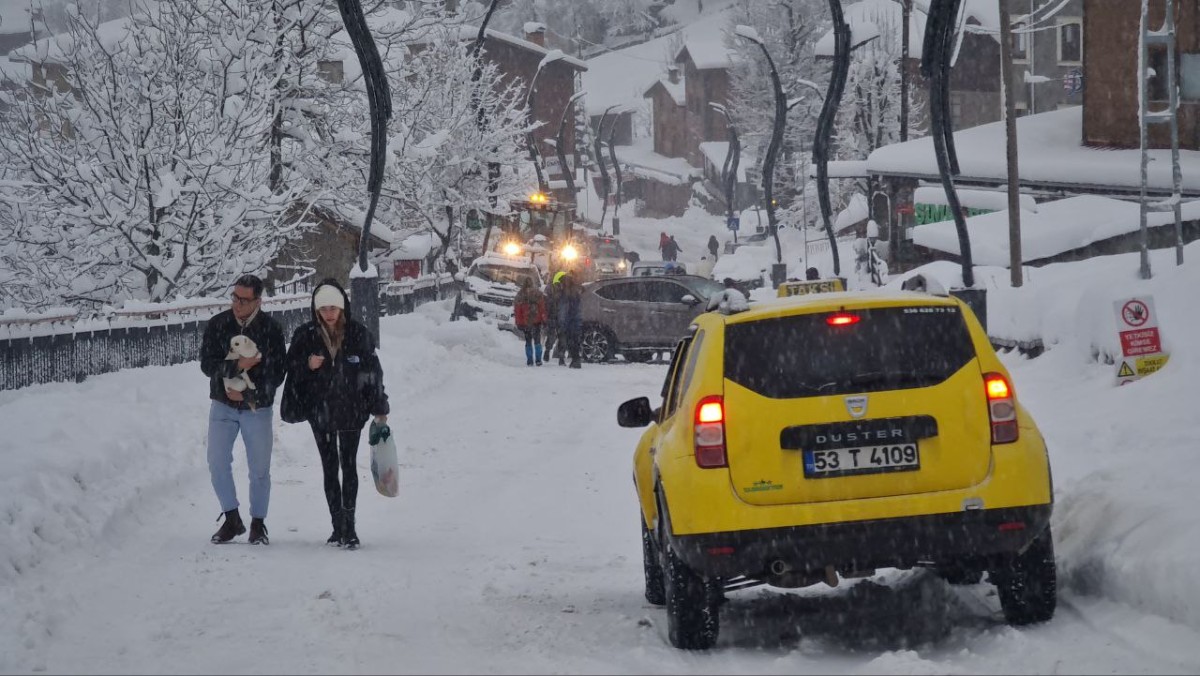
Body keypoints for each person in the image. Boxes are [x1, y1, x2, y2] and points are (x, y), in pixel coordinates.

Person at [281, 279, 389, 550]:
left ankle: (350, 528)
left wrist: (379, 407)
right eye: (324, 308)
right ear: (317, 310)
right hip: (321, 412)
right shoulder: (305, 336)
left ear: (342, 308)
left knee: (349, 466)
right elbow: (291, 369)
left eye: (333, 307)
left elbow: (373, 373)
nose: (329, 313)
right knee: (329, 469)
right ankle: (336, 526)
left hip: (352, 410)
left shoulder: (358, 334)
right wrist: (307, 364)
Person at [199, 274, 287, 546]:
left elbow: (276, 373)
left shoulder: (271, 329)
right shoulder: (219, 324)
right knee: (217, 463)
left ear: (257, 301)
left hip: (256, 409)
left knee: (259, 468)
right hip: (222, 405)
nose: (237, 303)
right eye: (235, 297)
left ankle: (258, 524)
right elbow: (207, 365)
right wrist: (239, 366)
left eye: (244, 299)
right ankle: (231, 518)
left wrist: (248, 393)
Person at [514, 277, 547, 366]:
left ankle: (530, 360)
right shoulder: (537, 294)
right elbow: (542, 308)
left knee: (528, 341)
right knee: (537, 340)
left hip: (526, 322)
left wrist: (518, 322)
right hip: (536, 321)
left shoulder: (520, 294)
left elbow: (518, 310)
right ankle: (538, 360)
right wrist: (544, 319)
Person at [558, 273, 583, 368]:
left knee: (570, 340)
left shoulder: (566, 294)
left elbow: (564, 309)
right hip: (574, 321)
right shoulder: (575, 292)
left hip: (569, 321)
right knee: (574, 340)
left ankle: (575, 359)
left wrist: (562, 321)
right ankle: (576, 359)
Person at [544, 271, 564, 362]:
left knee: (552, 335)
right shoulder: (564, 290)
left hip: (554, 315)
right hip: (557, 316)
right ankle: (560, 356)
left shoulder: (550, 288)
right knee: (561, 336)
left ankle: (548, 352)